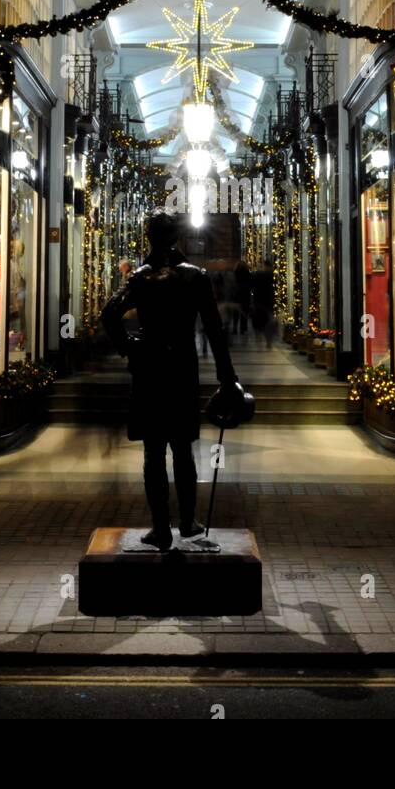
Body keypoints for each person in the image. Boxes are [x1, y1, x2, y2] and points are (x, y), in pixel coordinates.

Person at [101, 210, 244, 551]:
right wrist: (227, 377)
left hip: (149, 369)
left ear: (149, 237)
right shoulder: (194, 277)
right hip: (181, 368)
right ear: (176, 237)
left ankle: (160, 527)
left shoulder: (140, 277)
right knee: (183, 448)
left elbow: (110, 313)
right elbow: (213, 328)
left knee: (153, 451)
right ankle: (188, 521)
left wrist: (130, 348)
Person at [250, 258, 274, 349]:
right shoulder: (272, 276)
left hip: (258, 302)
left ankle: (259, 337)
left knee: (258, 321)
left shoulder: (257, 275)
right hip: (268, 303)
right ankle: (268, 341)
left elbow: (253, 288)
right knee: (268, 323)